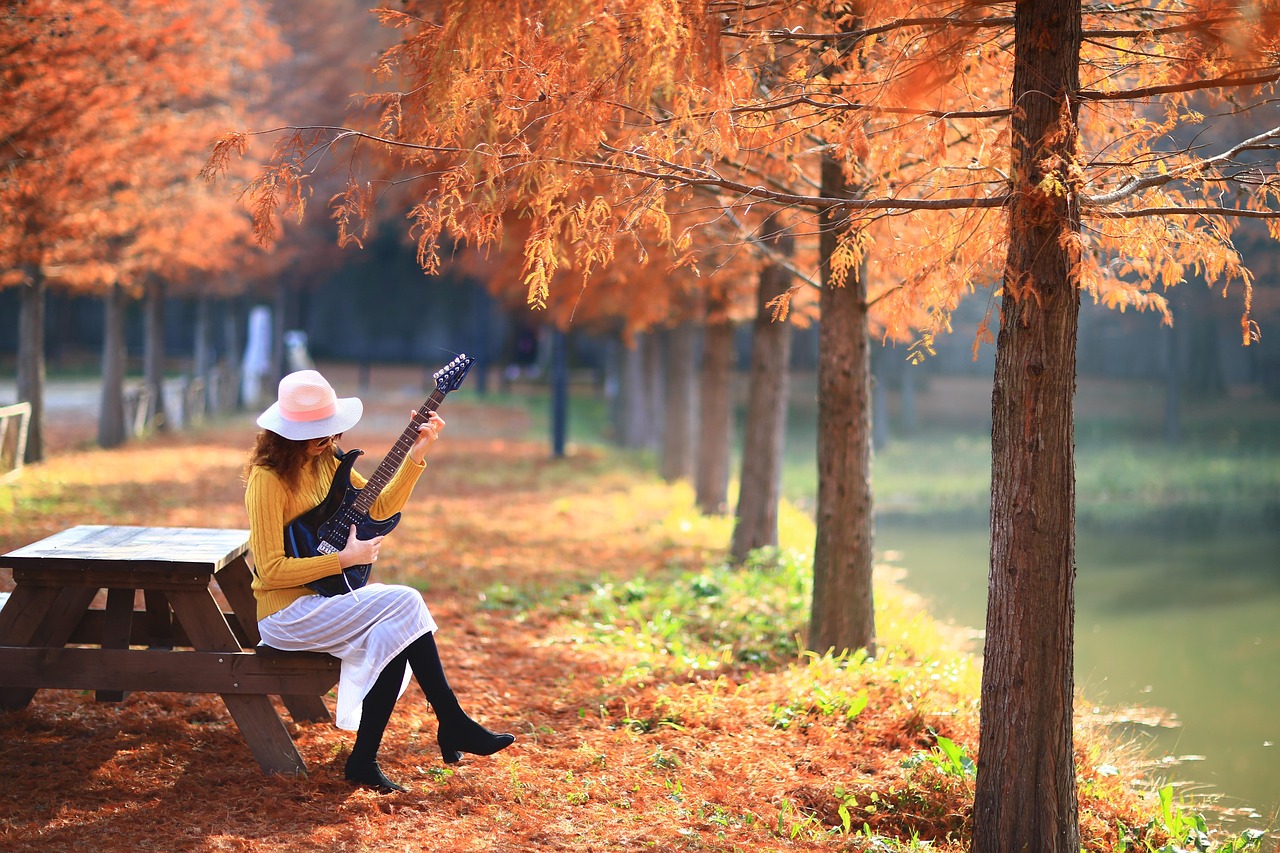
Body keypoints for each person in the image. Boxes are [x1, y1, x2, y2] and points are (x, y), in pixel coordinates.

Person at [243, 369, 514, 793]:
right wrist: (343, 560)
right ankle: (452, 720)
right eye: (315, 434)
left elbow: (380, 505)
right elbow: (271, 568)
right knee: (405, 603)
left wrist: (416, 457)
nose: (327, 441)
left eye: (330, 431)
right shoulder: (268, 480)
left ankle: (364, 761)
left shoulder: (330, 462)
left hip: (325, 602)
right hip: (286, 615)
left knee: (396, 631)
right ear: (286, 435)